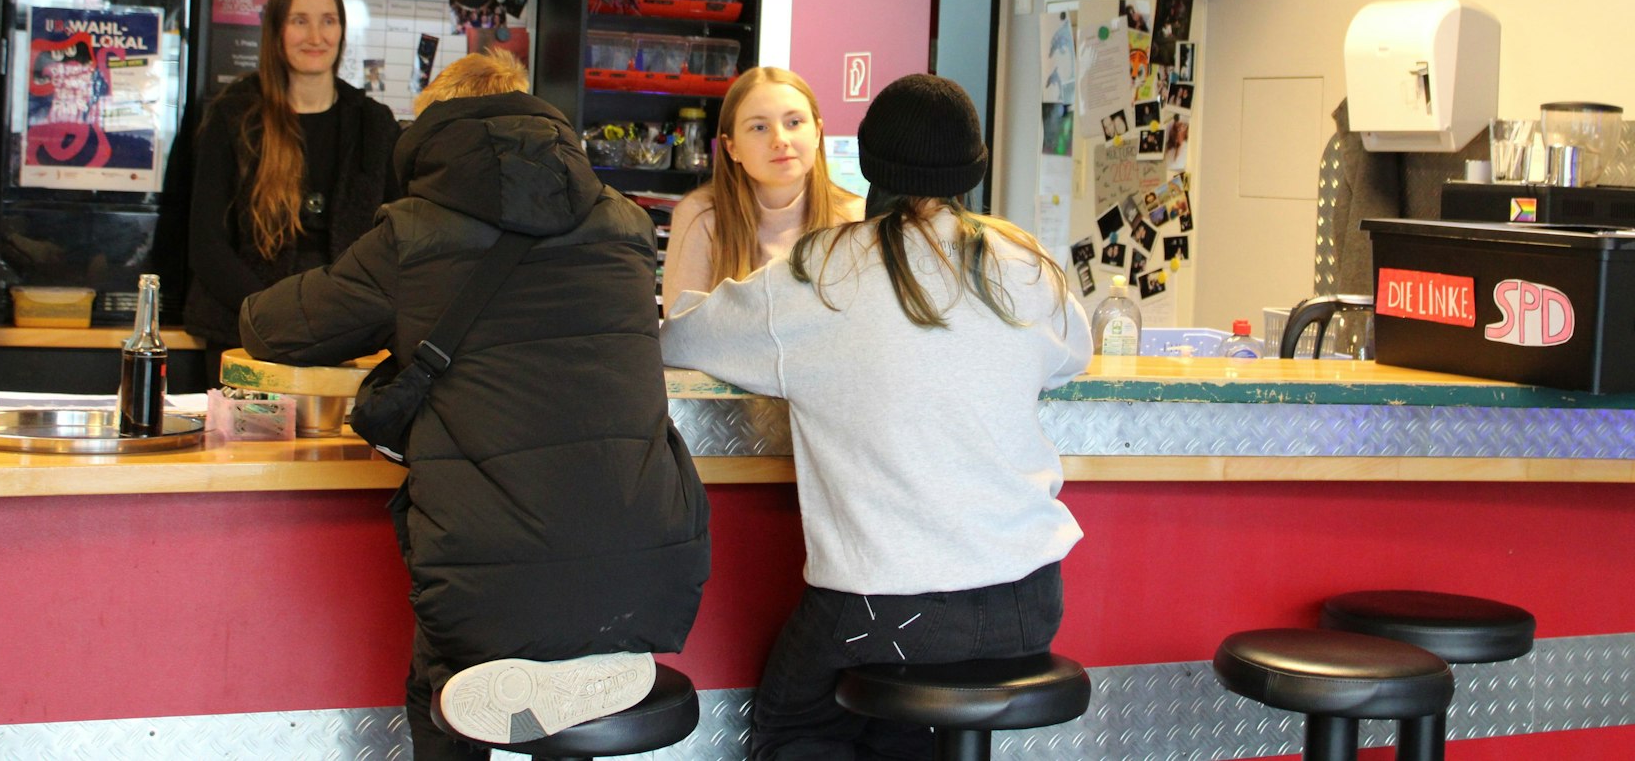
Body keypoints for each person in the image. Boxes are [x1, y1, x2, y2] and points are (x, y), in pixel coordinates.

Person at [238, 49, 710, 759]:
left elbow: (271, 328)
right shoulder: (628, 224)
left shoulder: (413, 232)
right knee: (547, 645)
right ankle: (579, 658)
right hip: (651, 566)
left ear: (431, 133)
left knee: (439, 684)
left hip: (490, 579)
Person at [661, 74, 1091, 761]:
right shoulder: (1024, 261)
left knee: (796, 727)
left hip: (883, 602)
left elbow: (679, 338)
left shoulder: (818, 272)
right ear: (974, 167)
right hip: (1029, 601)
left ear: (863, 163)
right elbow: (1076, 352)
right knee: (897, 724)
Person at [176, 0, 400, 366]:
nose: (316, 37)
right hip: (244, 335)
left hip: (348, 339)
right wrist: (276, 316)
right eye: (300, 21)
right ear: (276, 31)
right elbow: (206, 246)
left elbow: (395, 238)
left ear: (342, 31)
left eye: (328, 21)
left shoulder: (374, 123)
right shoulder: (233, 116)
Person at [663, 67, 863, 310]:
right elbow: (684, 334)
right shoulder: (700, 215)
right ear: (731, 147)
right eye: (759, 127)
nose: (780, 140)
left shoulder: (857, 218)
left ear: (817, 133)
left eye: (794, 122)